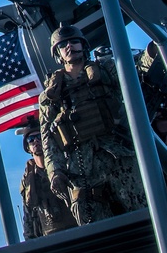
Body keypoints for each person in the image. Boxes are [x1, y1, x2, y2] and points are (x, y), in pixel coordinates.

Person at [39, 25, 147, 226]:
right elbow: (48, 138)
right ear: (58, 53)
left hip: (120, 158)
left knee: (145, 219)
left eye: (73, 41)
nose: (69, 46)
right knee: (98, 233)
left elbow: (138, 70)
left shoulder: (107, 69)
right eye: (63, 45)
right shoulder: (50, 95)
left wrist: (152, 53)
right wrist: (55, 172)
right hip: (81, 170)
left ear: (83, 45)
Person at [16, 115, 77, 239]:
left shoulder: (66, 166)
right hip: (49, 236)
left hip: (76, 228)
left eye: (39, 137)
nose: (36, 141)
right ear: (27, 147)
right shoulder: (28, 179)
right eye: (31, 139)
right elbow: (28, 215)